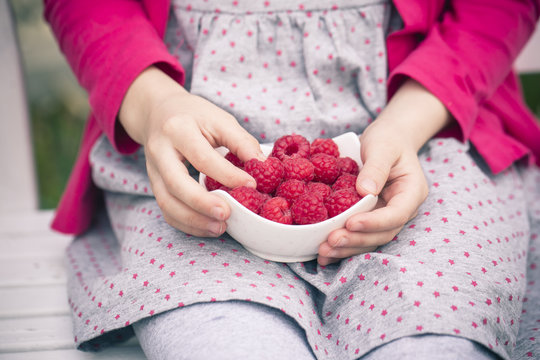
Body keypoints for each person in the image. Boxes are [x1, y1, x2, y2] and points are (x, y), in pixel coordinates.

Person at [44, 0, 540, 359]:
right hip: (189, 149)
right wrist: (152, 103)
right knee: (225, 341)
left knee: (436, 336)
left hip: (421, 132)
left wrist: (408, 122)